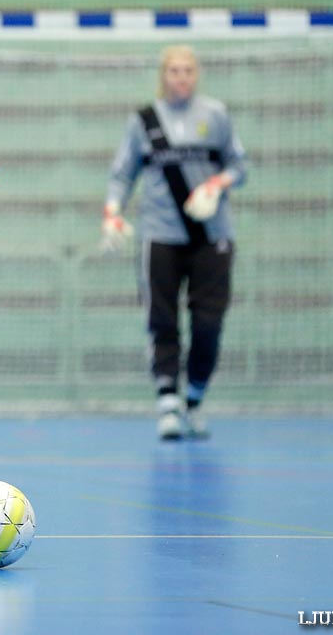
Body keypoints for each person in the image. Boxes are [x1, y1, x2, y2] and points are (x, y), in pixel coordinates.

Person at [101, 45, 247, 442]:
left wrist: (218, 184)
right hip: (159, 235)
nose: (181, 77)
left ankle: (195, 397)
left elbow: (239, 166)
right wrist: (112, 211)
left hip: (211, 236)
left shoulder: (215, 116)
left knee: (208, 323)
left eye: (188, 70)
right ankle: (167, 400)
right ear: (164, 76)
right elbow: (121, 174)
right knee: (162, 320)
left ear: (196, 75)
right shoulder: (144, 121)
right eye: (174, 71)